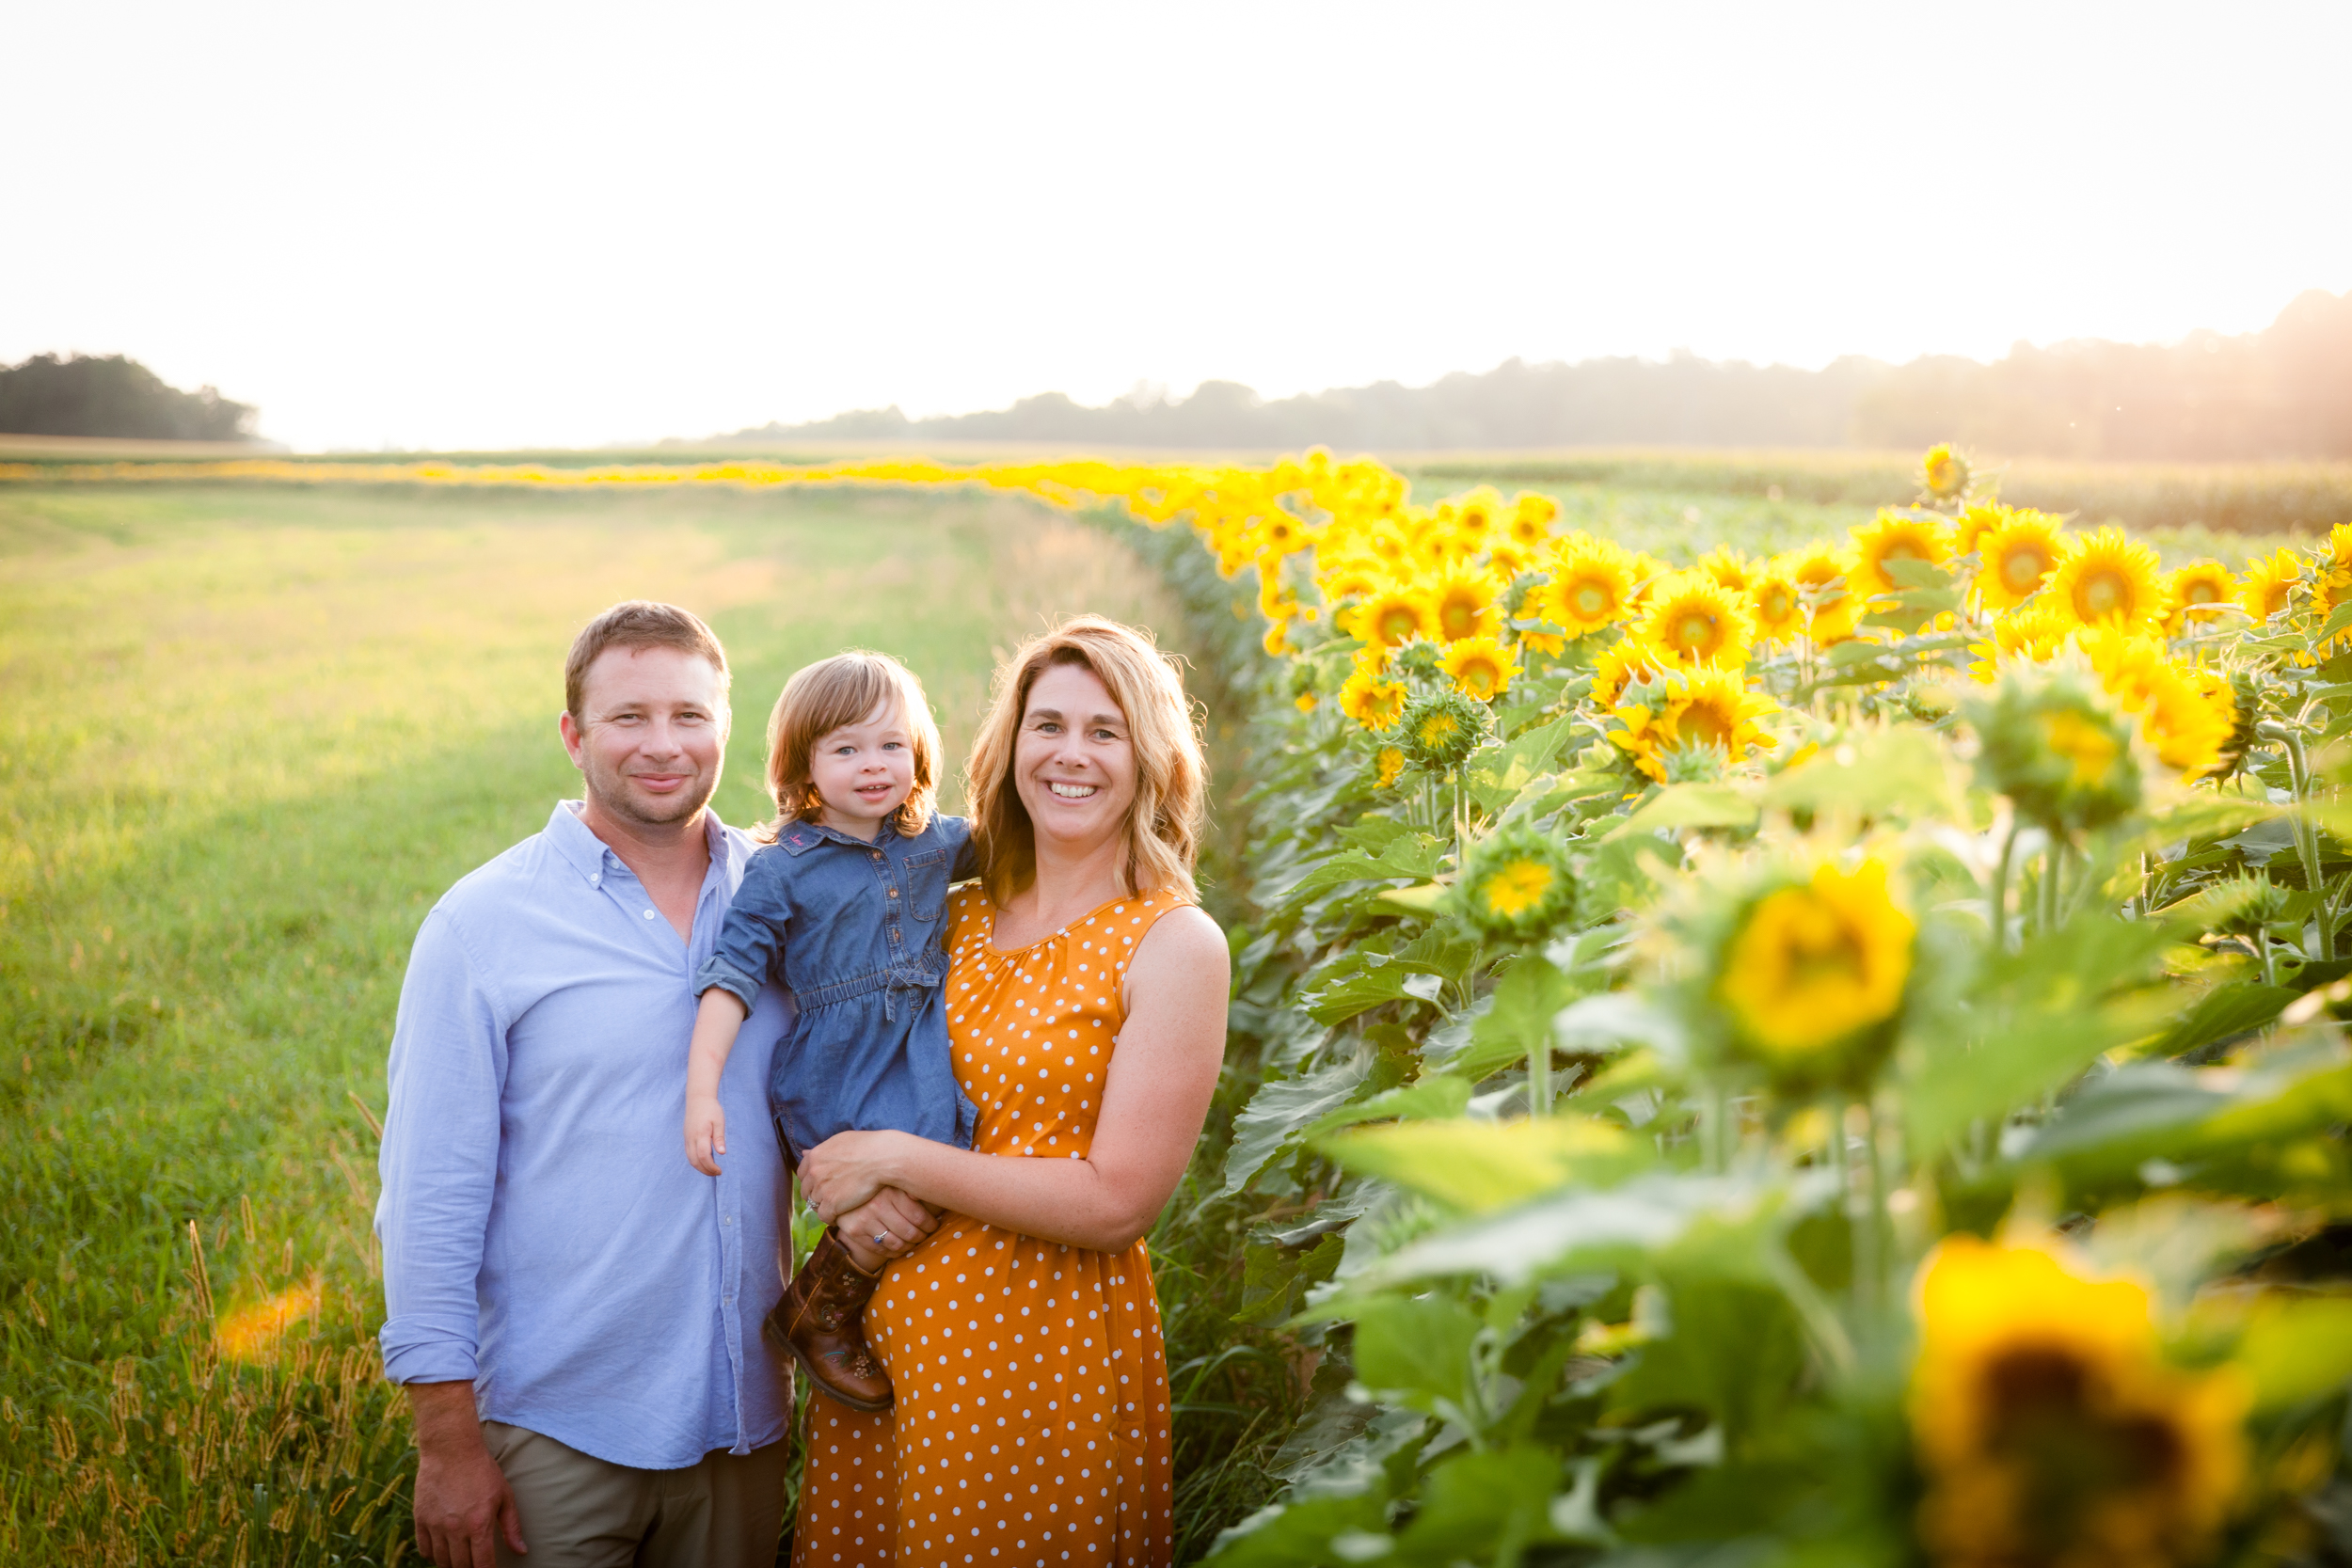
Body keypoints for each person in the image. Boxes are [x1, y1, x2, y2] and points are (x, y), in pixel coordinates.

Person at [788, 614, 1232, 1568]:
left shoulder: (1172, 943)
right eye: (1049, 725)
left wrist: (898, 1159)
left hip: (1038, 1353)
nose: (1072, 754)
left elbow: (1119, 1202)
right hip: (884, 1352)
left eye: (1105, 731)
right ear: (1011, 744)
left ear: (1151, 756)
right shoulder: (952, 909)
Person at [376, 601, 797, 1568]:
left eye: (690, 715)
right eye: (628, 716)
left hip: (745, 1421)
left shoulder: (784, 898)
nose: (663, 744)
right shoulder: (482, 924)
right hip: (557, 1435)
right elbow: (429, 1200)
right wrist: (446, 1443)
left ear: (725, 726)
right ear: (573, 734)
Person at [682, 650, 978, 1413]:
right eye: (845, 748)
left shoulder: (935, 841)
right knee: (901, 1192)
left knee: (945, 1175)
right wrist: (702, 1089)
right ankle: (822, 1311)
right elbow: (731, 977)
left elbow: (1033, 841)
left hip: (911, 1055)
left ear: (918, 752)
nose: (872, 765)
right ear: (804, 765)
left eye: (890, 744)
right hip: (840, 1067)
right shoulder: (785, 869)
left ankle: (830, 1308)